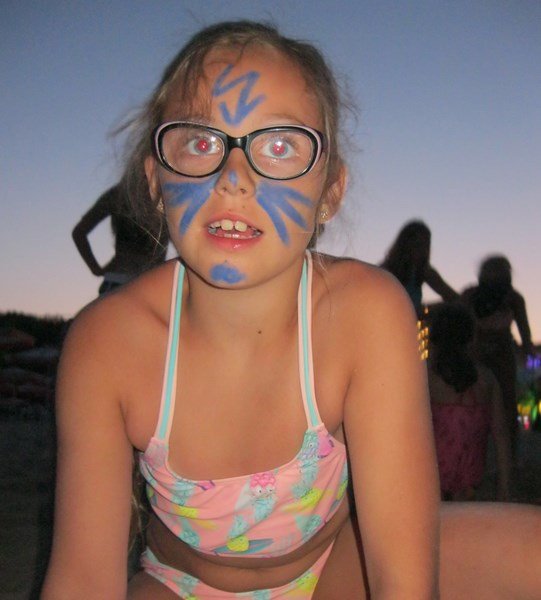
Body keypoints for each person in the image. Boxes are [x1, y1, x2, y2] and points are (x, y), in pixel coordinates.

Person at [42, 20, 541, 600]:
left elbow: (403, 576)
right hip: (184, 587)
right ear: (156, 180)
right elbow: (82, 578)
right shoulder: (108, 342)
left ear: (330, 191)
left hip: (335, 572)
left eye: (280, 147)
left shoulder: (366, 313)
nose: (234, 178)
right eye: (201, 142)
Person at [427, 303, 511, 501]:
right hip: (471, 484)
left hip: (432, 485)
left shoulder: (428, 380)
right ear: (471, 338)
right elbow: (501, 435)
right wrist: (504, 489)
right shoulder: (487, 380)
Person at [462, 255, 534, 458]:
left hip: (500, 352)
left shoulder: (513, 299)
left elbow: (525, 331)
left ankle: (508, 453)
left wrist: (528, 354)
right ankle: (489, 451)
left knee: (505, 401)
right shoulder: (472, 295)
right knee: (483, 399)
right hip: (479, 351)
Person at [72, 182, 169, 295]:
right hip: (151, 285)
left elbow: (79, 232)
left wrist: (96, 269)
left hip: (119, 282)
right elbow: (78, 233)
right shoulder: (165, 198)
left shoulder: (117, 194)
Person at [381, 220, 458, 317]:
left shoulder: (424, 271)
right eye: (417, 244)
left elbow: (452, 296)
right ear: (405, 245)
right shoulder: (386, 272)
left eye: (426, 245)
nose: (422, 250)